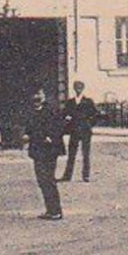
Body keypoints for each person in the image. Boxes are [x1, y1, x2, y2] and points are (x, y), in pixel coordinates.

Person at [25, 89, 64, 220]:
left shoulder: (52, 110)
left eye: (39, 95)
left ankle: (56, 211)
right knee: (42, 180)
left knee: (48, 179)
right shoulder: (31, 112)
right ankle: (50, 209)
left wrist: (51, 137)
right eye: (34, 96)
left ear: (44, 96)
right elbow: (29, 129)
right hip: (37, 150)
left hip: (49, 150)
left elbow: (59, 127)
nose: (36, 98)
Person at [60, 81, 99, 182]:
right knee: (72, 154)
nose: (78, 89)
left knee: (85, 154)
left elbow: (95, 115)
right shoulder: (70, 102)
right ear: (74, 88)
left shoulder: (88, 101)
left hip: (85, 130)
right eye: (76, 87)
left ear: (83, 88)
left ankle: (86, 176)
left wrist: (89, 124)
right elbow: (64, 114)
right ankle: (67, 176)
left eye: (80, 88)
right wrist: (68, 122)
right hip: (74, 130)